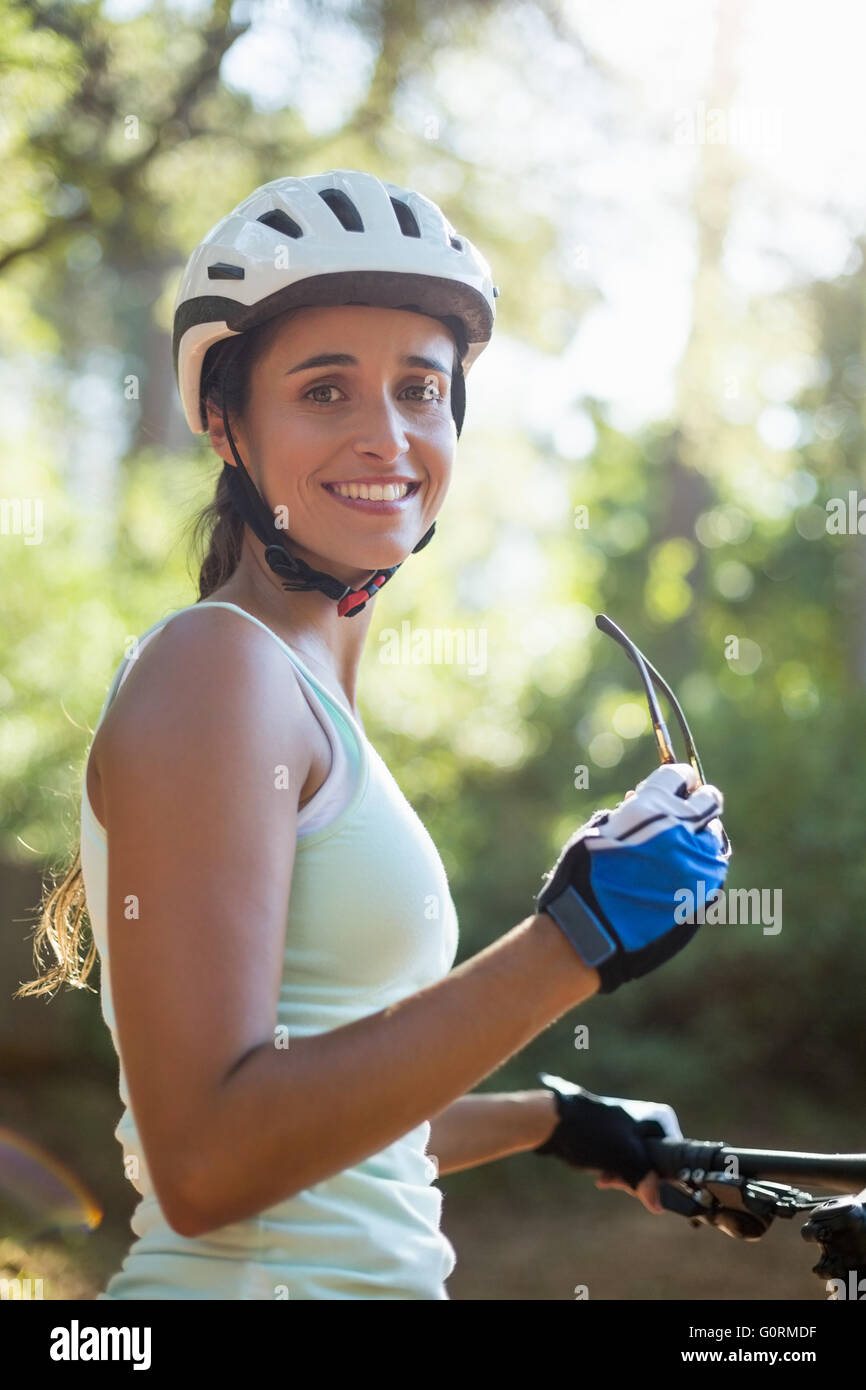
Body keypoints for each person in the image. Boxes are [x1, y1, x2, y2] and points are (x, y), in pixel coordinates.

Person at [19, 170, 730, 1299]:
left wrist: (554, 1118)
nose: (384, 434)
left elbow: (320, 1138)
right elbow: (206, 1165)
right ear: (224, 422)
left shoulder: (297, 693)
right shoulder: (217, 670)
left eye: (419, 389)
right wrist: (573, 940)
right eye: (324, 390)